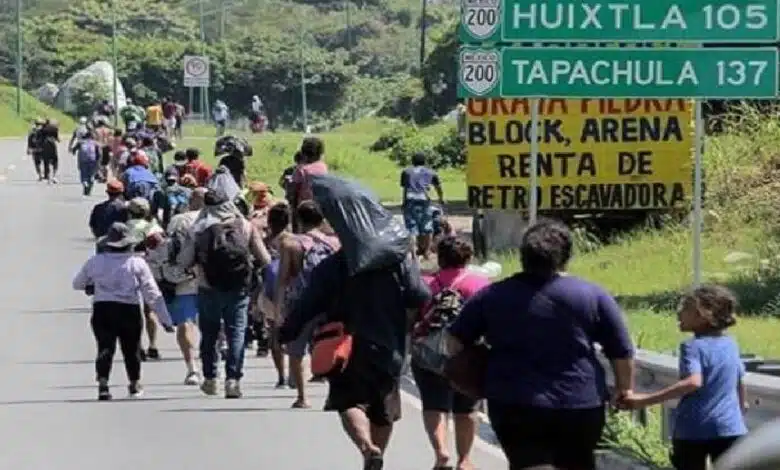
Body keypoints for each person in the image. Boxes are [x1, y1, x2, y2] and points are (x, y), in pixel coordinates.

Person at [446, 219, 635, 470]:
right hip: (579, 401)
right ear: (565, 258)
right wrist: (624, 389)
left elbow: (454, 342)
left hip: (513, 400)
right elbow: (621, 351)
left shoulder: (493, 296)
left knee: (526, 463)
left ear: (523, 256)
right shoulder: (593, 295)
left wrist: (477, 372)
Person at [279, 203, 430, 470]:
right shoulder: (395, 263)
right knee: (384, 409)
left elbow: (308, 304)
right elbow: (420, 295)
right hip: (389, 345)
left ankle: (365, 446)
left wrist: (288, 331)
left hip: (345, 345)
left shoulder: (333, 265)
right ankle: (376, 454)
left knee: (349, 400)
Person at [620, 285, 747, 470]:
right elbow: (740, 379)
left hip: (694, 430)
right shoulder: (731, 344)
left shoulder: (692, 347)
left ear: (704, 314)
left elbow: (694, 382)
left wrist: (645, 400)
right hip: (730, 428)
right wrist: (740, 409)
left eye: (685, 308)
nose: (679, 313)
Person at [177, 189, 271, 399]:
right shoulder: (246, 226)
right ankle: (233, 380)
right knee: (236, 333)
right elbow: (265, 259)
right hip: (239, 288)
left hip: (207, 287)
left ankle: (210, 379)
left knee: (209, 334)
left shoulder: (199, 228)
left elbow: (184, 261)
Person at [411, 236, 490, 470]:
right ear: (468, 258)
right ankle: (464, 459)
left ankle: (441, 452)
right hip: (468, 354)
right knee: (467, 408)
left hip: (428, 354)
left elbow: (413, 317)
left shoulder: (425, 283)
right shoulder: (480, 285)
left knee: (434, 405)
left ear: (440, 257)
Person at [72, 222, 174, 401]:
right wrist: (165, 320)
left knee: (105, 347)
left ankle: (103, 385)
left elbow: (77, 283)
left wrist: (92, 286)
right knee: (131, 348)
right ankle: (134, 383)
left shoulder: (95, 262)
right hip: (129, 309)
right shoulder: (137, 263)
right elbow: (152, 292)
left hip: (103, 308)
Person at [274, 201, 340, 407]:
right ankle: (333, 395)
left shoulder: (291, 244)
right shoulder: (335, 243)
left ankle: (303, 397)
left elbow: (283, 279)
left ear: (299, 219)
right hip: (329, 301)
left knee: (296, 350)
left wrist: (278, 310)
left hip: (300, 302)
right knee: (331, 346)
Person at [146, 188, 207, 385]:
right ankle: (215, 363)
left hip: (185, 280)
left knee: (185, 323)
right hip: (213, 280)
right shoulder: (225, 218)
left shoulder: (179, 220)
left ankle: (192, 369)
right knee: (213, 324)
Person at [258, 202, 291, 369]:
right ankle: (295, 371)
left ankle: (281, 376)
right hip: (291, 292)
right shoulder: (293, 241)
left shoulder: (264, 242)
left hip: (269, 292)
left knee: (274, 332)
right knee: (295, 332)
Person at [401, 152, 444, 259]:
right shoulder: (431, 172)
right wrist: (441, 198)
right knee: (427, 226)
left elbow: (405, 189)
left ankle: (414, 254)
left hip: (410, 200)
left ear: (413, 161)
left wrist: (404, 202)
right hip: (424, 199)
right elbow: (438, 187)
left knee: (411, 228)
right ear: (425, 162)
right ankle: (427, 252)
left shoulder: (406, 172)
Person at [290, 137, 327, 215]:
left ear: (303, 153)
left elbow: (294, 193)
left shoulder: (300, 170)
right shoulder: (323, 167)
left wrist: (293, 210)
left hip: (303, 209)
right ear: (320, 154)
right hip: (319, 207)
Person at [76, 130, 101, 196]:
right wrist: (98, 162)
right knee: (91, 175)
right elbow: (99, 153)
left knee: (84, 175)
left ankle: (85, 184)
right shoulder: (96, 143)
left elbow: (73, 150)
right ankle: (89, 191)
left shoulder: (81, 142)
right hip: (93, 161)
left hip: (83, 161)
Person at [40, 119, 60, 183]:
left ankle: (47, 176)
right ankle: (54, 176)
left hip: (44, 146)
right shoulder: (54, 128)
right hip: (52, 145)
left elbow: (40, 139)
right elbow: (57, 138)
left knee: (46, 161)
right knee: (55, 161)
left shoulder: (42, 130)